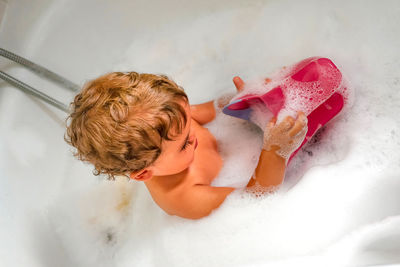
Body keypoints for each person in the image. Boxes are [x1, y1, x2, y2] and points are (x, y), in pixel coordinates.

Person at [65, 72, 307, 219]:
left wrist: (241, 98)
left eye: (188, 123)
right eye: (183, 145)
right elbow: (257, 199)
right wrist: (276, 150)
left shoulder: (169, 125)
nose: (193, 135)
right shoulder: (185, 196)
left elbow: (212, 110)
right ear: (144, 173)